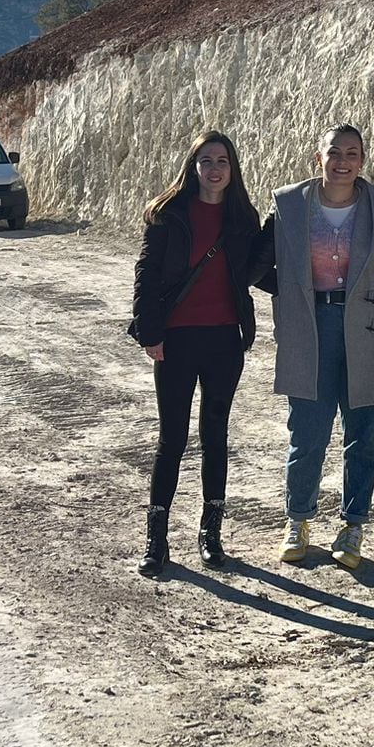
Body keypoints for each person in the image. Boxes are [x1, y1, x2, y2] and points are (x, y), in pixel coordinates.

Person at [259, 124, 374, 569]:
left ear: (363, 160)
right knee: (307, 433)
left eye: (352, 152)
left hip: (367, 329)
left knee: (362, 438)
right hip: (310, 327)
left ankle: (353, 525)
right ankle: (299, 519)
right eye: (333, 152)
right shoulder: (290, 205)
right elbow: (256, 261)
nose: (342, 161)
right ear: (317, 157)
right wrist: (289, 291)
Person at [129, 132, 268, 579]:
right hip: (176, 339)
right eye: (205, 160)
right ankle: (157, 540)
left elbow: (254, 272)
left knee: (215, 436)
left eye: (222, 161)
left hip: (224, 340)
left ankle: (211, 535)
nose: (214, 169)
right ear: (192, 166)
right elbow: (146, 273)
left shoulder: (242, 218)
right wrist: (150, 331)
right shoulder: (168, 214)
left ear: (233, 169)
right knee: (171, 438)